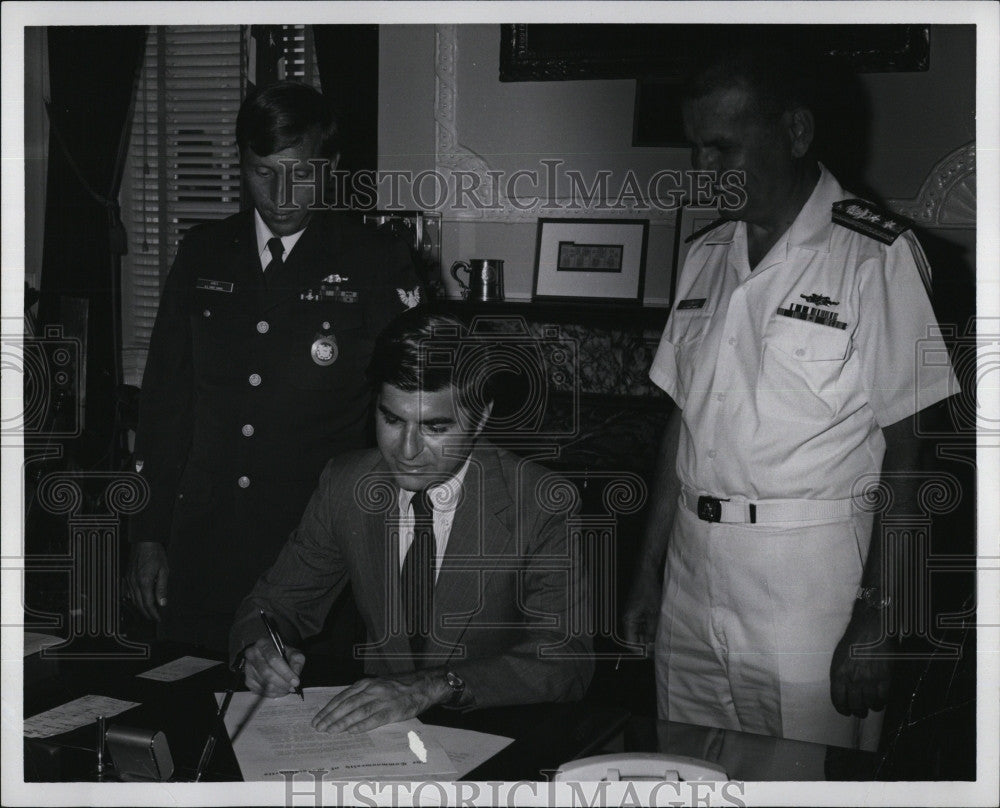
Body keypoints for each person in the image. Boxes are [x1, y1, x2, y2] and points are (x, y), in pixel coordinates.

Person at [623, 49, 958, 750]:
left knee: (803, 784)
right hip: (692, 573)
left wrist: (879, 614)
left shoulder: (876, 256)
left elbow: (909, 455)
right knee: (687, 775)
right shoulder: (706, 254)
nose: (703, 171)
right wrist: (648, 572)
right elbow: (681, 426)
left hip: (808, 587)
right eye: (696, 148)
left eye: (723, 148)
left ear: (796, 132)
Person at [126, 81, 423, 651]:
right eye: (263, 172)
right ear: (241, 162)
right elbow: (167, 404)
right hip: (205, 540)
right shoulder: (202, 253)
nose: (282, 194)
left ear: (329, 166)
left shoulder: (374, 259)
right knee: (188, 705)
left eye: (300, 172)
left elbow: (407, 406)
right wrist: (149, 534)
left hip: (316, 550)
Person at [229, 309, 593, 732]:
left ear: (481, 415)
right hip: (380, 741)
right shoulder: (346, 485)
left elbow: (568, 660)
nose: (406, 449)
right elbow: (273, 605)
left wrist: (432, 686)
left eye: (434, 426)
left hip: (501, 734)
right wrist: (260, 650)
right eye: (391, 419)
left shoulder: (541, 502)